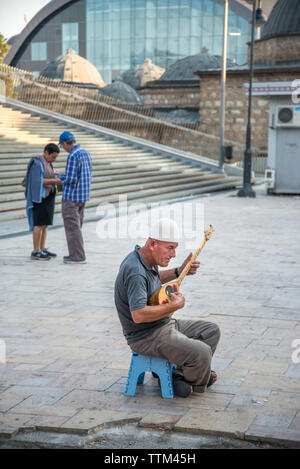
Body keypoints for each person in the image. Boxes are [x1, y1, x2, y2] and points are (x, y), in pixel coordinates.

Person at [114, 218, 220, 398]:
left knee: (210, 331)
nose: (173, 254)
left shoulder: (145, 258)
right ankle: (193, 379)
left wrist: (179, 271)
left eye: (175, 248)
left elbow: (154, 280)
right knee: (202, 353)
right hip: (146, 336)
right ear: (153, 243)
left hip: (162, 324)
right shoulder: (135, 271)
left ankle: (179, 376)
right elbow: (138, 315)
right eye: (170, 248)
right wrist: (173, 306)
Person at [57, 131, 92, 264]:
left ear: (66, 143)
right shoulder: (85, 152)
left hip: (71, 197)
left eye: (62, 146)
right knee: (77, 227)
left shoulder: (72, 155)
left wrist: (58, 176)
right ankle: (75, 254)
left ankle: (77, 257)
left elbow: (71, 179)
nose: (63, 149)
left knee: (72, 228)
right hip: (82, 197)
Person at [23, 143, 62, 260]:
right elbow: (37, 181)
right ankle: (36, 251)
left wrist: (54, 176)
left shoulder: (48, 163)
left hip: (48, 196)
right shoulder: (37, 163)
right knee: (38, 225)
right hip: (39, 198)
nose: (54, 159)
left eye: (55, 157)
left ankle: (42, 248)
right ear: (46, 152)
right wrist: (55, 181)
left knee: (45, 225)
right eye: (53, 157)